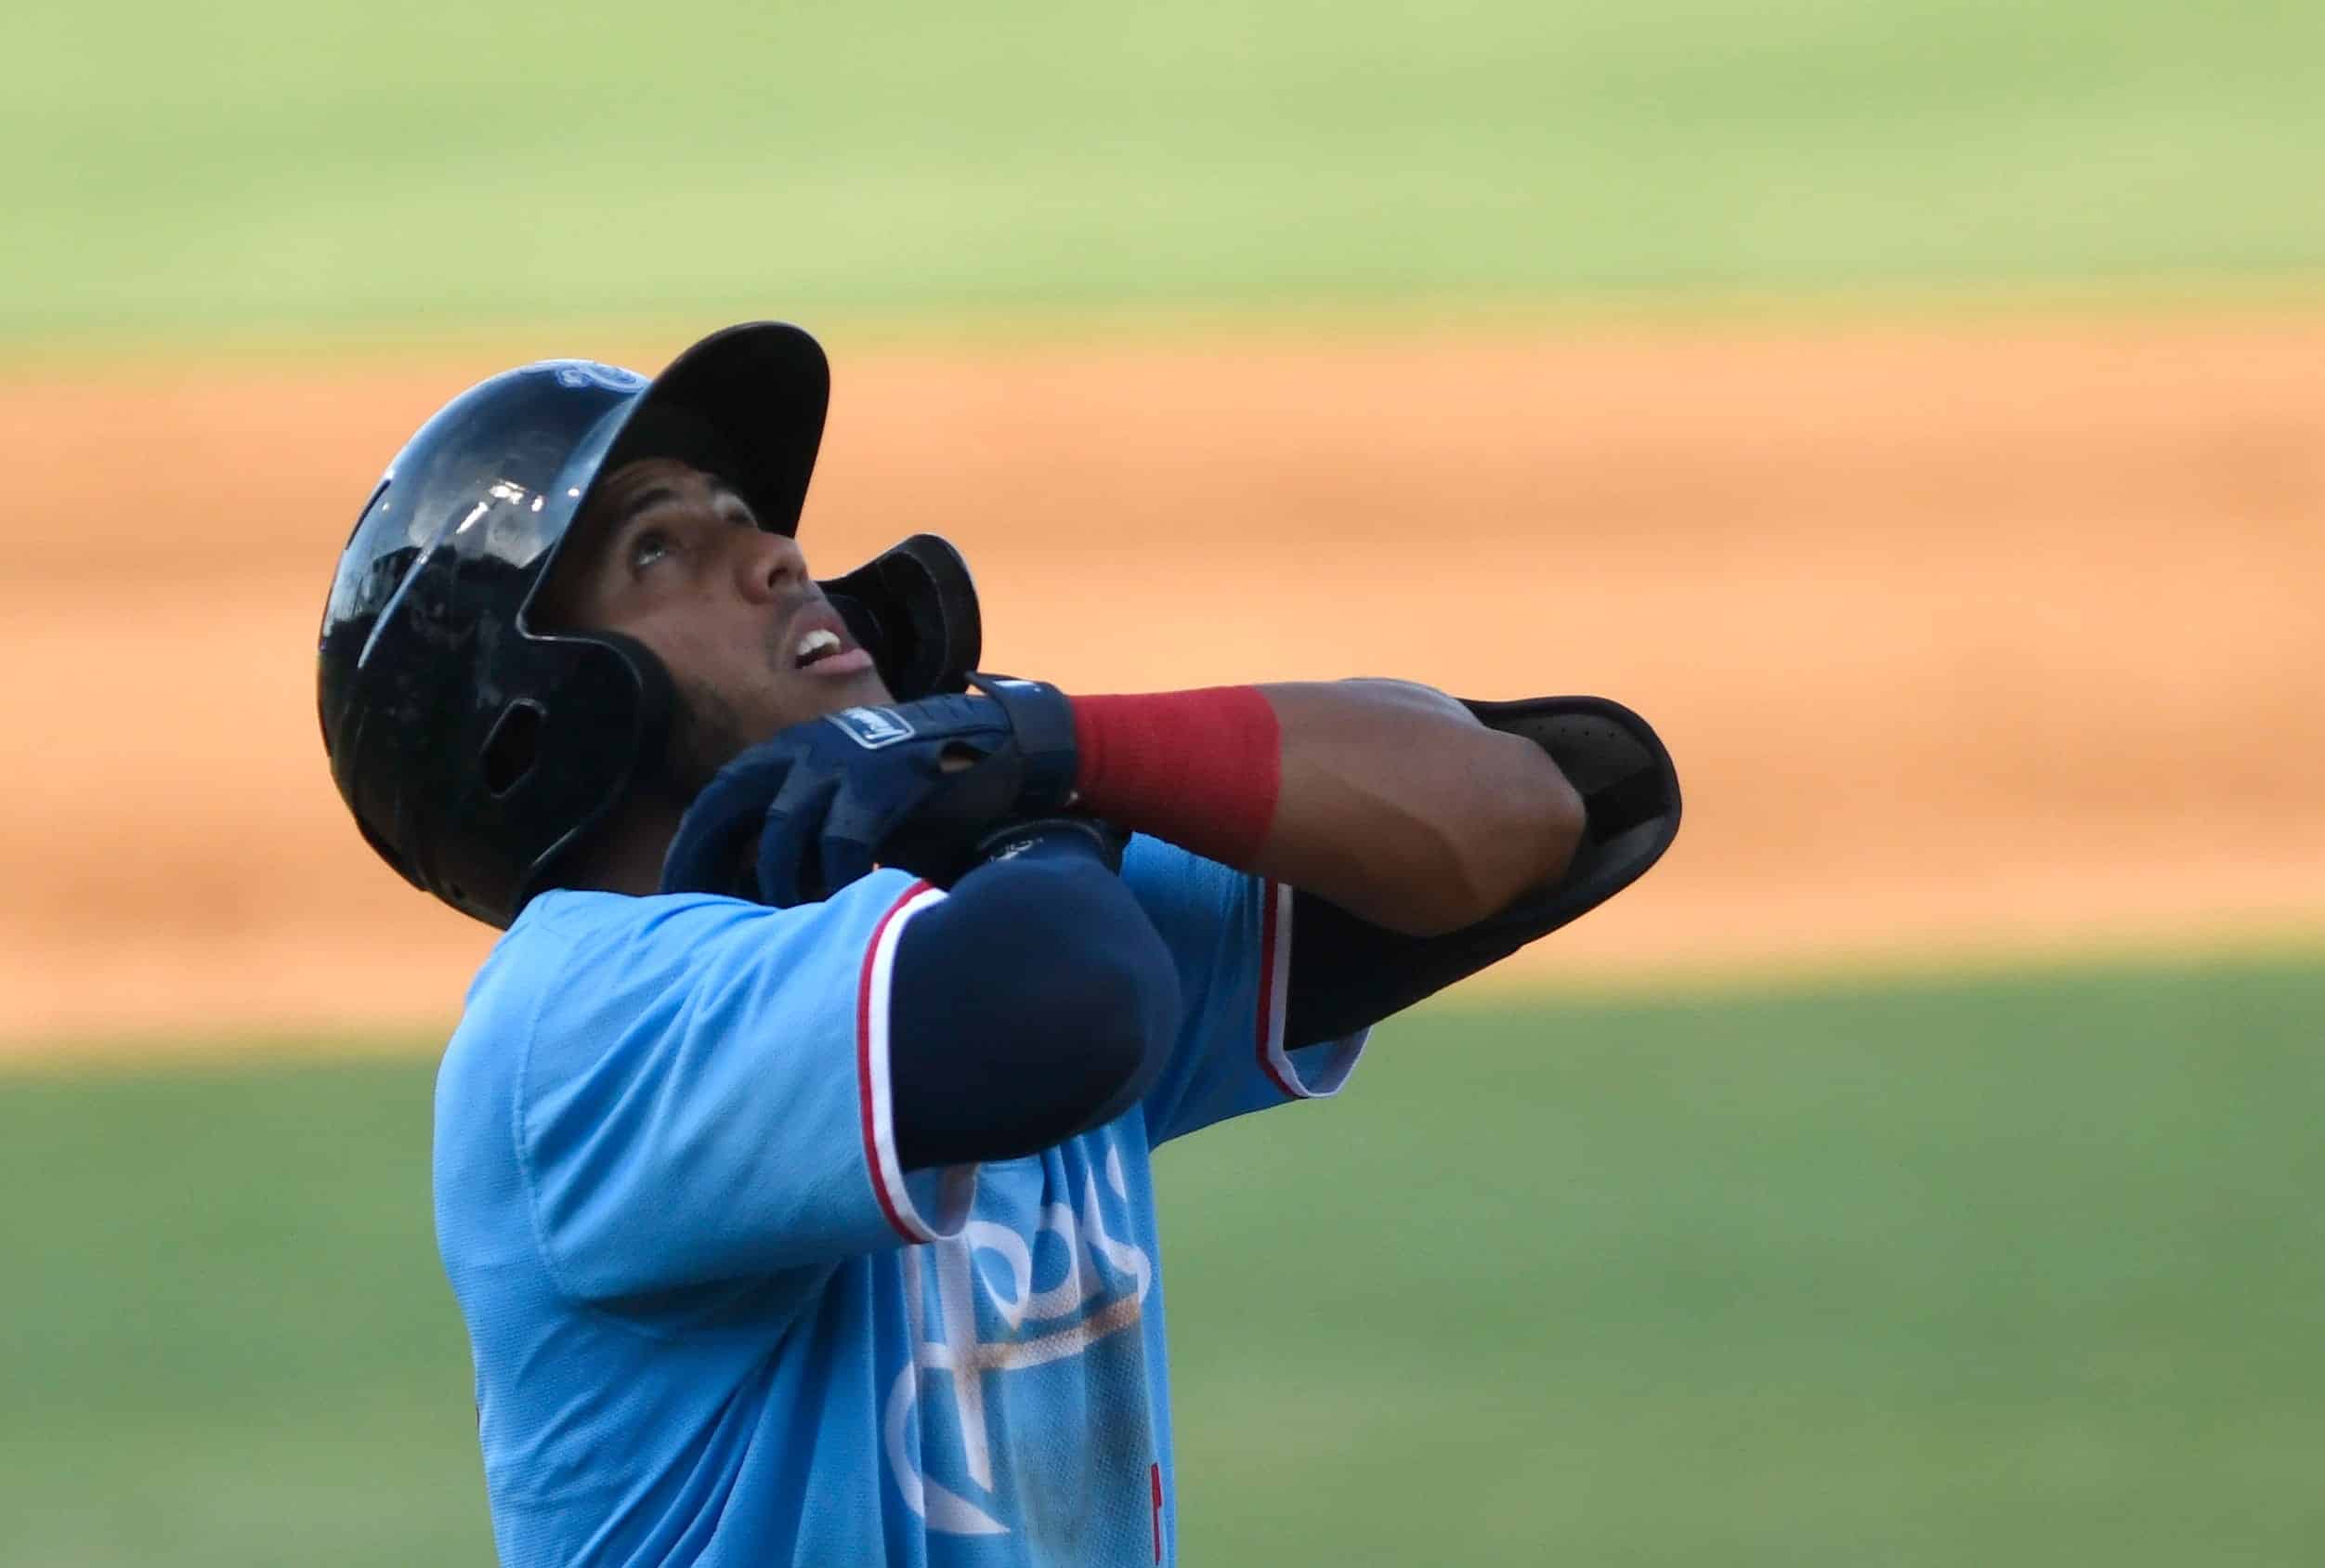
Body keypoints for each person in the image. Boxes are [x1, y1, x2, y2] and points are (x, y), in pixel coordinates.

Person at [317, 321, 1680, 1567]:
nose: (781, 558)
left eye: (754, 519)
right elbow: (1064, 1012)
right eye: (659, 549)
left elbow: (1543, 808)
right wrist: (1018, 811)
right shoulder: (579, 1022)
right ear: (537, 709)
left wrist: (1055, 743)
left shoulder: (975, 909)